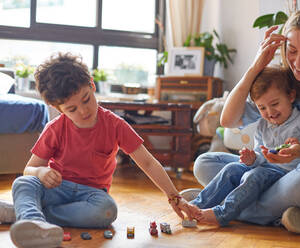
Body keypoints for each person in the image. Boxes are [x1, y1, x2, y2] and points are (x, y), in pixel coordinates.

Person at [187, 5, 300, 234]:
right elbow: (228, 120)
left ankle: (224, 206)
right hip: (278, 178)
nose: (298, 62)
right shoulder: (287, 82)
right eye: (292, 50)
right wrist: (256, 65)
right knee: (205, 163)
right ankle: (293, 214)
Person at [2, 53, 194, 248]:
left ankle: (27, 215)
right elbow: (29, 170)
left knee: (107, 211)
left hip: (92, 196)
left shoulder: (115, 125)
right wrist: (41, 172)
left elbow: (147, 162)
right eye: (72, 109)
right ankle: (33, 221)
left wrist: (174, 195)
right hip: (56, 189)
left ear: (92, 85)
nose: (83, 111)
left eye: (86, 99)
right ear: (58, 108)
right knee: (24, 183)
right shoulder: (55, 128)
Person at [188, 66, 300, 226]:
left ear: (291, 96)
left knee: (252, 176)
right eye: (262, 108)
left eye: (275, 103)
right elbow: (260, 155)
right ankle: (196, 206)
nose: (270, 112)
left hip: (288, 175)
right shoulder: (263, 125)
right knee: (232, 169)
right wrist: (252, 159)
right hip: (263, 170)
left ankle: (221, 214)